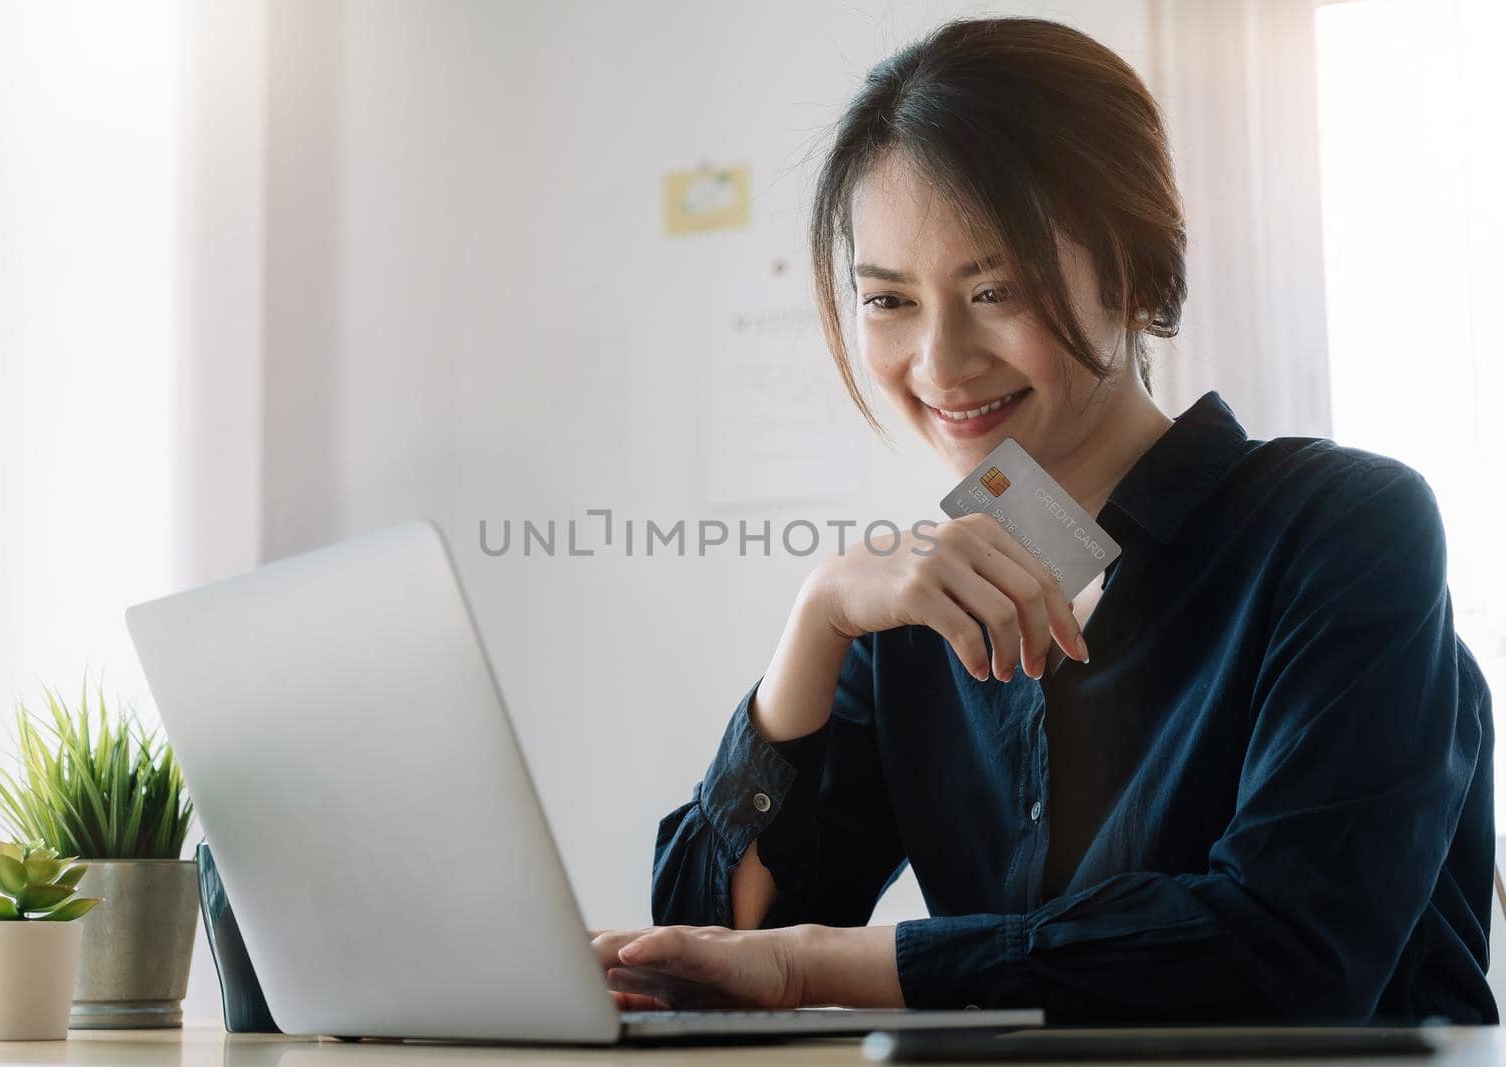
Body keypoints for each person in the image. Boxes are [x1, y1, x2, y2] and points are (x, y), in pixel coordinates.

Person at [589, 15, 1496, 1024]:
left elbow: (1283, 952)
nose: (938, 361)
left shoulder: (1342, 528)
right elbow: (711, 950)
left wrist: (820, 965)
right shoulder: (914, 607)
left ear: (1136, 273)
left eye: (993, 288)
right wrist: (812, 625)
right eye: (888, 300)